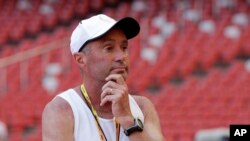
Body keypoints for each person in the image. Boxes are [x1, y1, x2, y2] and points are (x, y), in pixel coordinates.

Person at [42, 14, 164, 141]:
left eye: (124, 47)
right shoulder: (62, 110)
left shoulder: (142, 106)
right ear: (81, 59)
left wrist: (128, 120)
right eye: (109, 48)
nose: (121, 56)